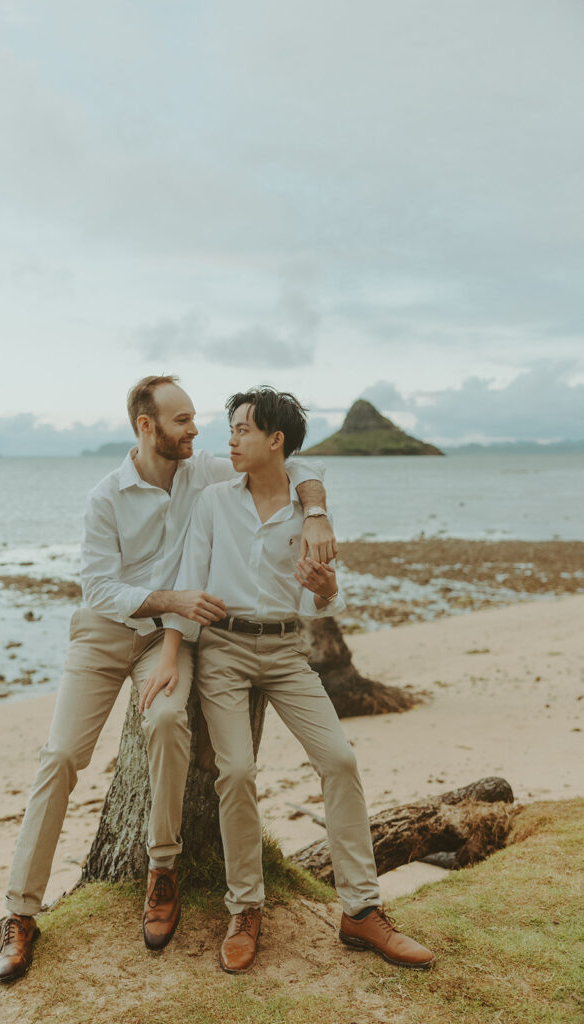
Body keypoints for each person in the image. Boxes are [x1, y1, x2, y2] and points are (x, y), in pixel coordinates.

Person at [0, 374, 335, 983]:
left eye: (198, 419)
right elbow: (98, 587)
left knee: (171, 720)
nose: (196, 431)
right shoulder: (106, 496)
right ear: (147, 427)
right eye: (183, 421)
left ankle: (162, 869)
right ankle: (20, 914)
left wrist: (315, 511)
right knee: (61, 756)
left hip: (163, 640)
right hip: (102, 632)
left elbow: (293, 460)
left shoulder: (200, 472)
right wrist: (172, 595)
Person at [145, 386, 436, 975]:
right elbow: (186, 577)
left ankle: (360, 909)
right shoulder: (213, 502)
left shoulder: (309, 514)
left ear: (275, 441)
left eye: (243, 430)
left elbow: (319, 602)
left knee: (340, 761)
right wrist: (171, 653)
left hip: (285, 650)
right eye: (230, 429)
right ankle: (245, 910)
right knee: (238, 771)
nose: (231, 439)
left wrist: (325, 587)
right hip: (222, 649)